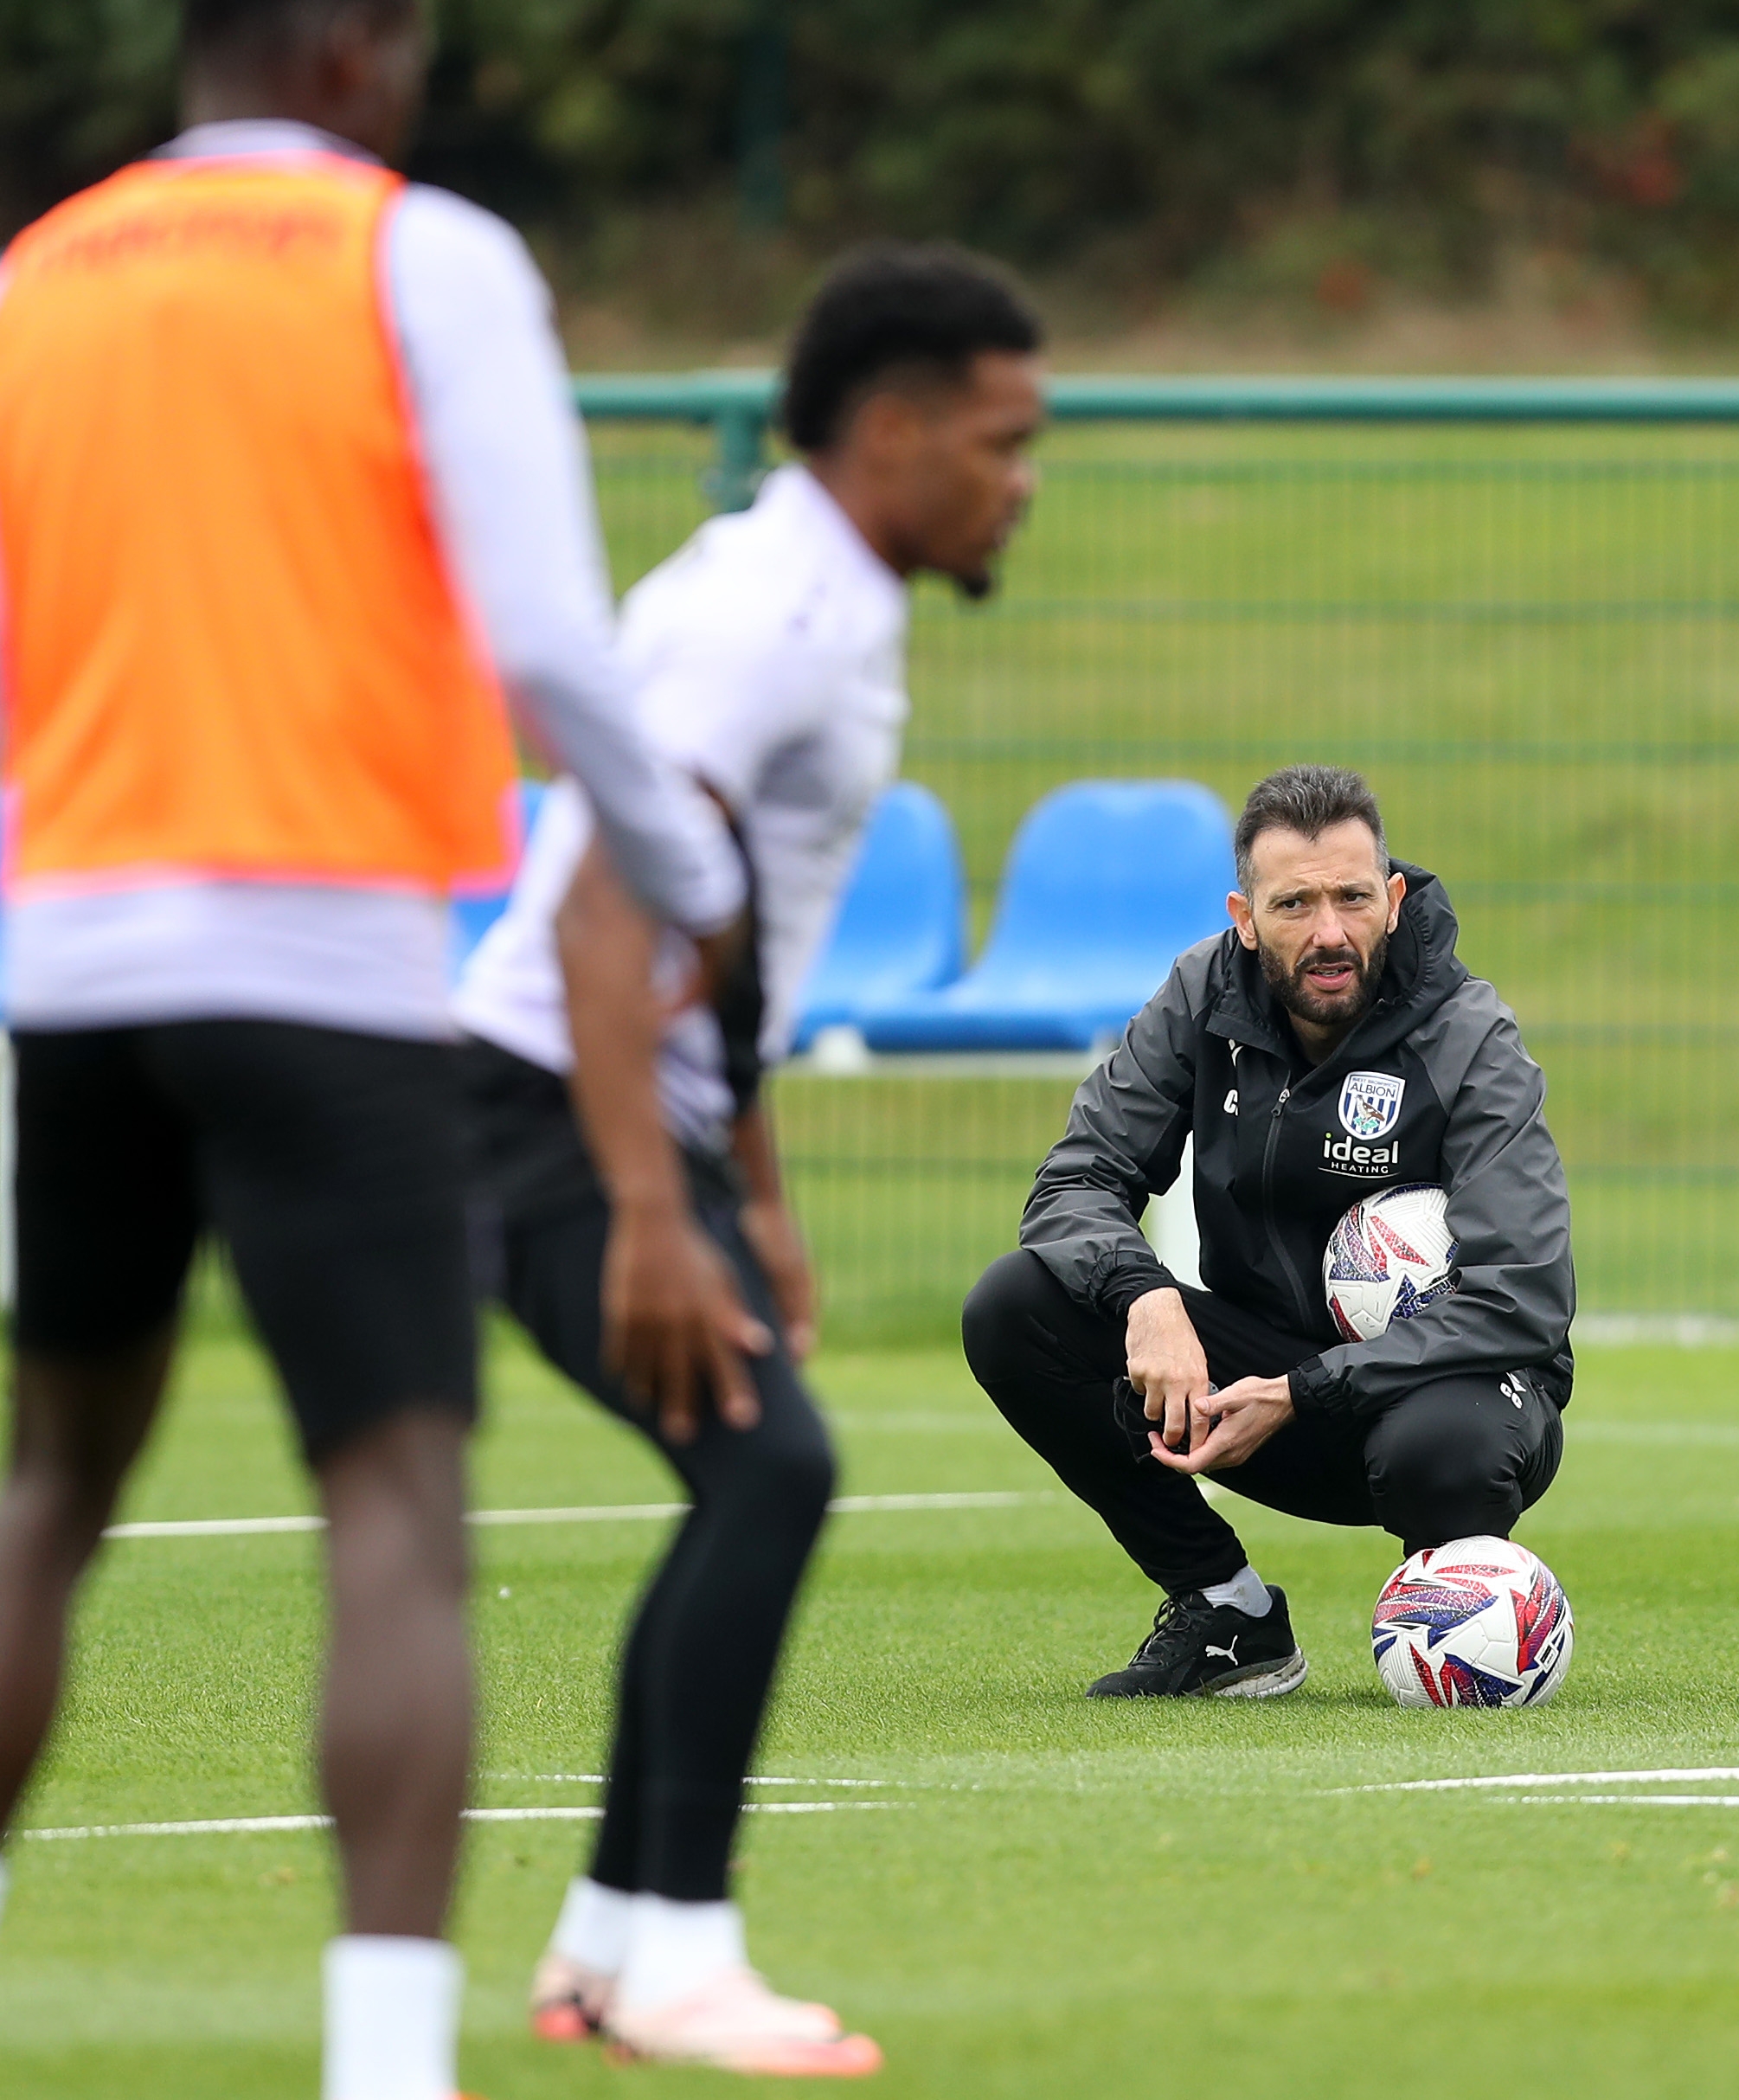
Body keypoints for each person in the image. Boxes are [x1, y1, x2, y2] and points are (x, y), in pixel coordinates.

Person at [0, 0, 747, 2092]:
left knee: (50, 1484)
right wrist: (685, 868)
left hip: (75, 979)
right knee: (394, 1507)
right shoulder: (426, 258)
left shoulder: (19, 286)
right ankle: (387, 2055)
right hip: (326, 960)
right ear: (346, 49)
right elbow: (538, 634)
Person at [454, 244, 1045, 2074]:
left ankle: (607, 1944)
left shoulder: (825, 596)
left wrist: (752, 1193)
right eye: (999, 440)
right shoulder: (772, 615)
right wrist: (647, 1205)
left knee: (748, 1476)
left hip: (620, 1105)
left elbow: (717, 934)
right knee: (769, 1468)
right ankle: (677, 1954)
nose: (1020, 480)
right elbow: (598, 919)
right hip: (547, 1106)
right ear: (887, 429)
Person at [959, 765, 1574, 1698]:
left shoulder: (1468, 1036)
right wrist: (1146, 1297)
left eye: (1352, 898)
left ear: (1393, 900)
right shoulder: (1202, 993)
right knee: (1016, 1306)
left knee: (1439, 1449)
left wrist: (1307, 1388)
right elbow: (1076, 1180)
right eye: (1294, 904)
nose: (1329, 932)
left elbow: (1521, 1299)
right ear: (1244, 917)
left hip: (1439, 1401)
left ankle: (1452, 1615)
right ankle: (1227, 1613)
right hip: (1251, 1396)